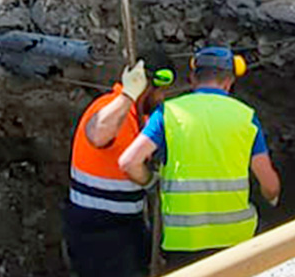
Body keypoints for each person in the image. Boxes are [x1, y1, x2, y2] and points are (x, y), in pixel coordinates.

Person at [118, 46, 281, 263]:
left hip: (182, 241)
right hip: (237, 240)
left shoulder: (168, 113)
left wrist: (151, 181)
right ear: (229, 82)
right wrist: (272, 199)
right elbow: (270, 185)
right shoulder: (245, 117)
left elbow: (129, 162)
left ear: (193, 79)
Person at [64, 54, 174, 277]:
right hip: (97, 234)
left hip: (126, 226)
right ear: (147, 85)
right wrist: (128, 96)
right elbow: (99, 131)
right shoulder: (112, 108)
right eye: (161, 92)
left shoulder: (139, 118)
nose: (162, 99)